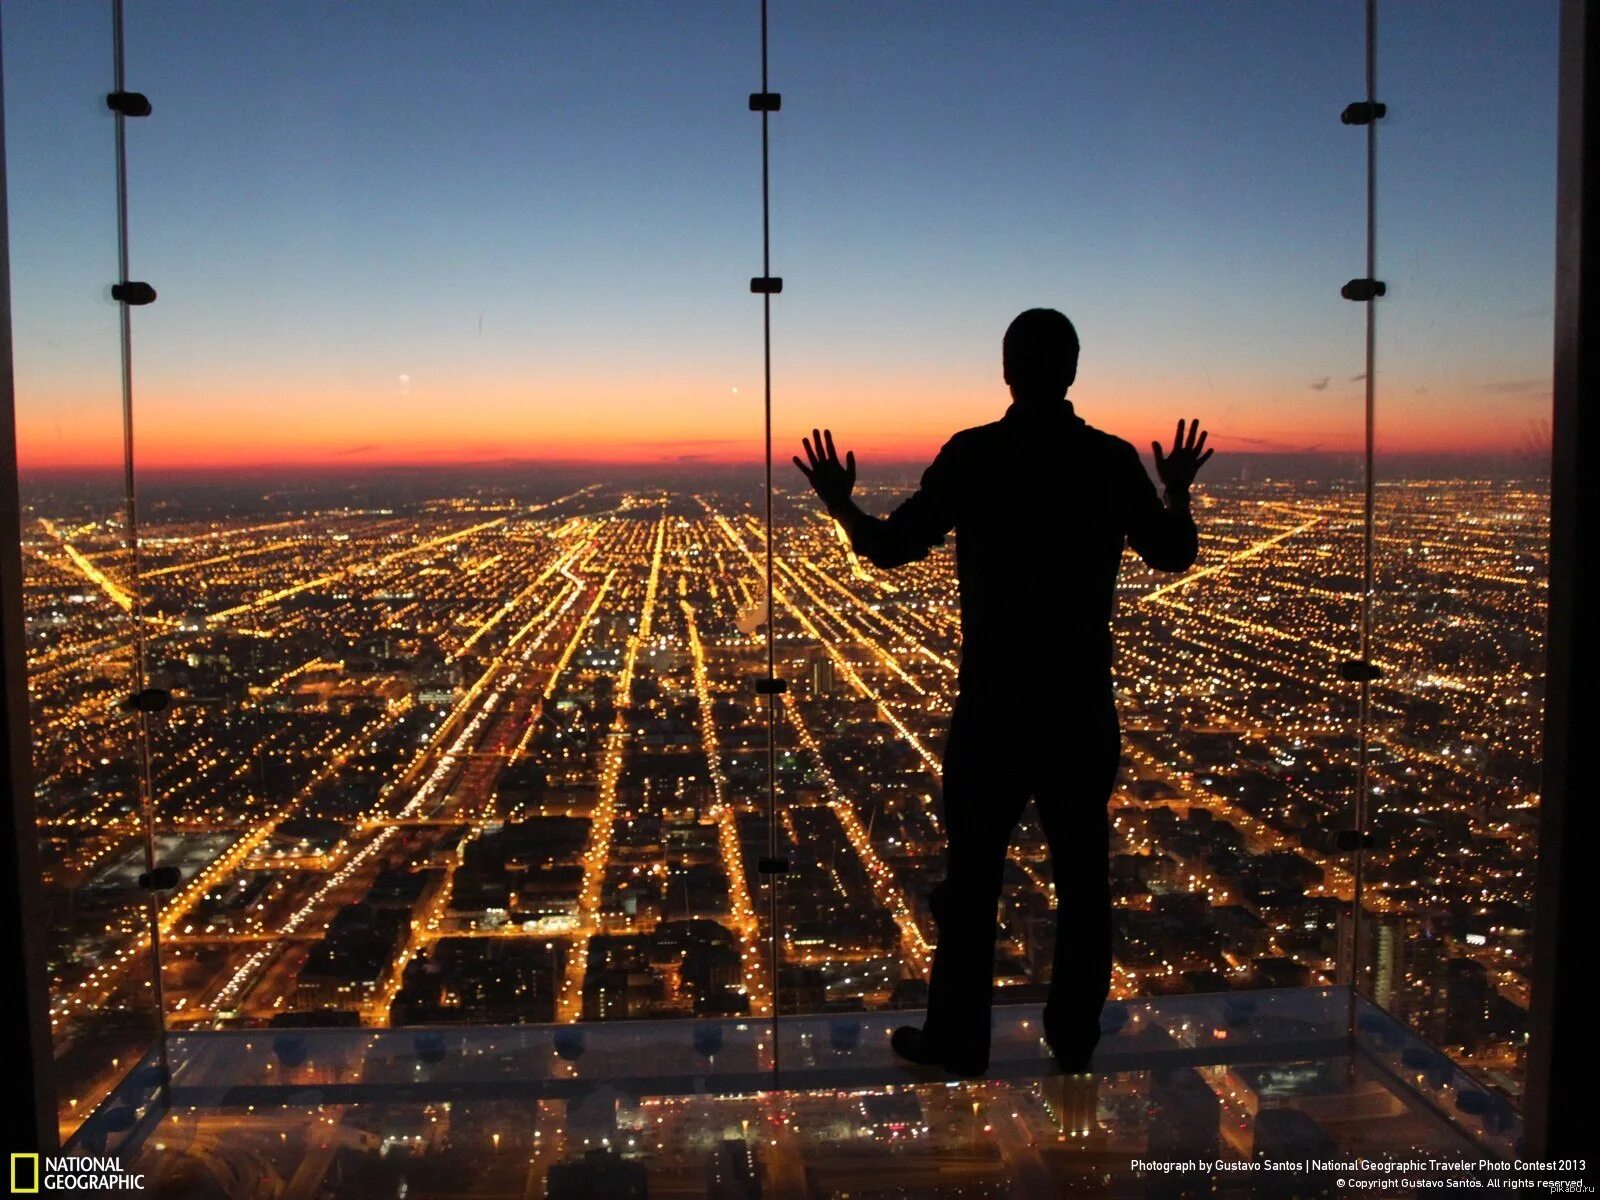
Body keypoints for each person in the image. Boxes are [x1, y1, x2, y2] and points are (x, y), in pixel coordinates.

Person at [793, 307, 1213, 1076]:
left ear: (1008, 372)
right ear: (1073, 371)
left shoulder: (975, 456)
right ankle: (1075, 1039)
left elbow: (891, 547)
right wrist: (1177, 491)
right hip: (1080, 706)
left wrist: (839, 503)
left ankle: (958, 1038)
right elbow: (1173, 554)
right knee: (1083, 879)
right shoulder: (1109, 461)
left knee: (974, 876)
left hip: (994, 706)